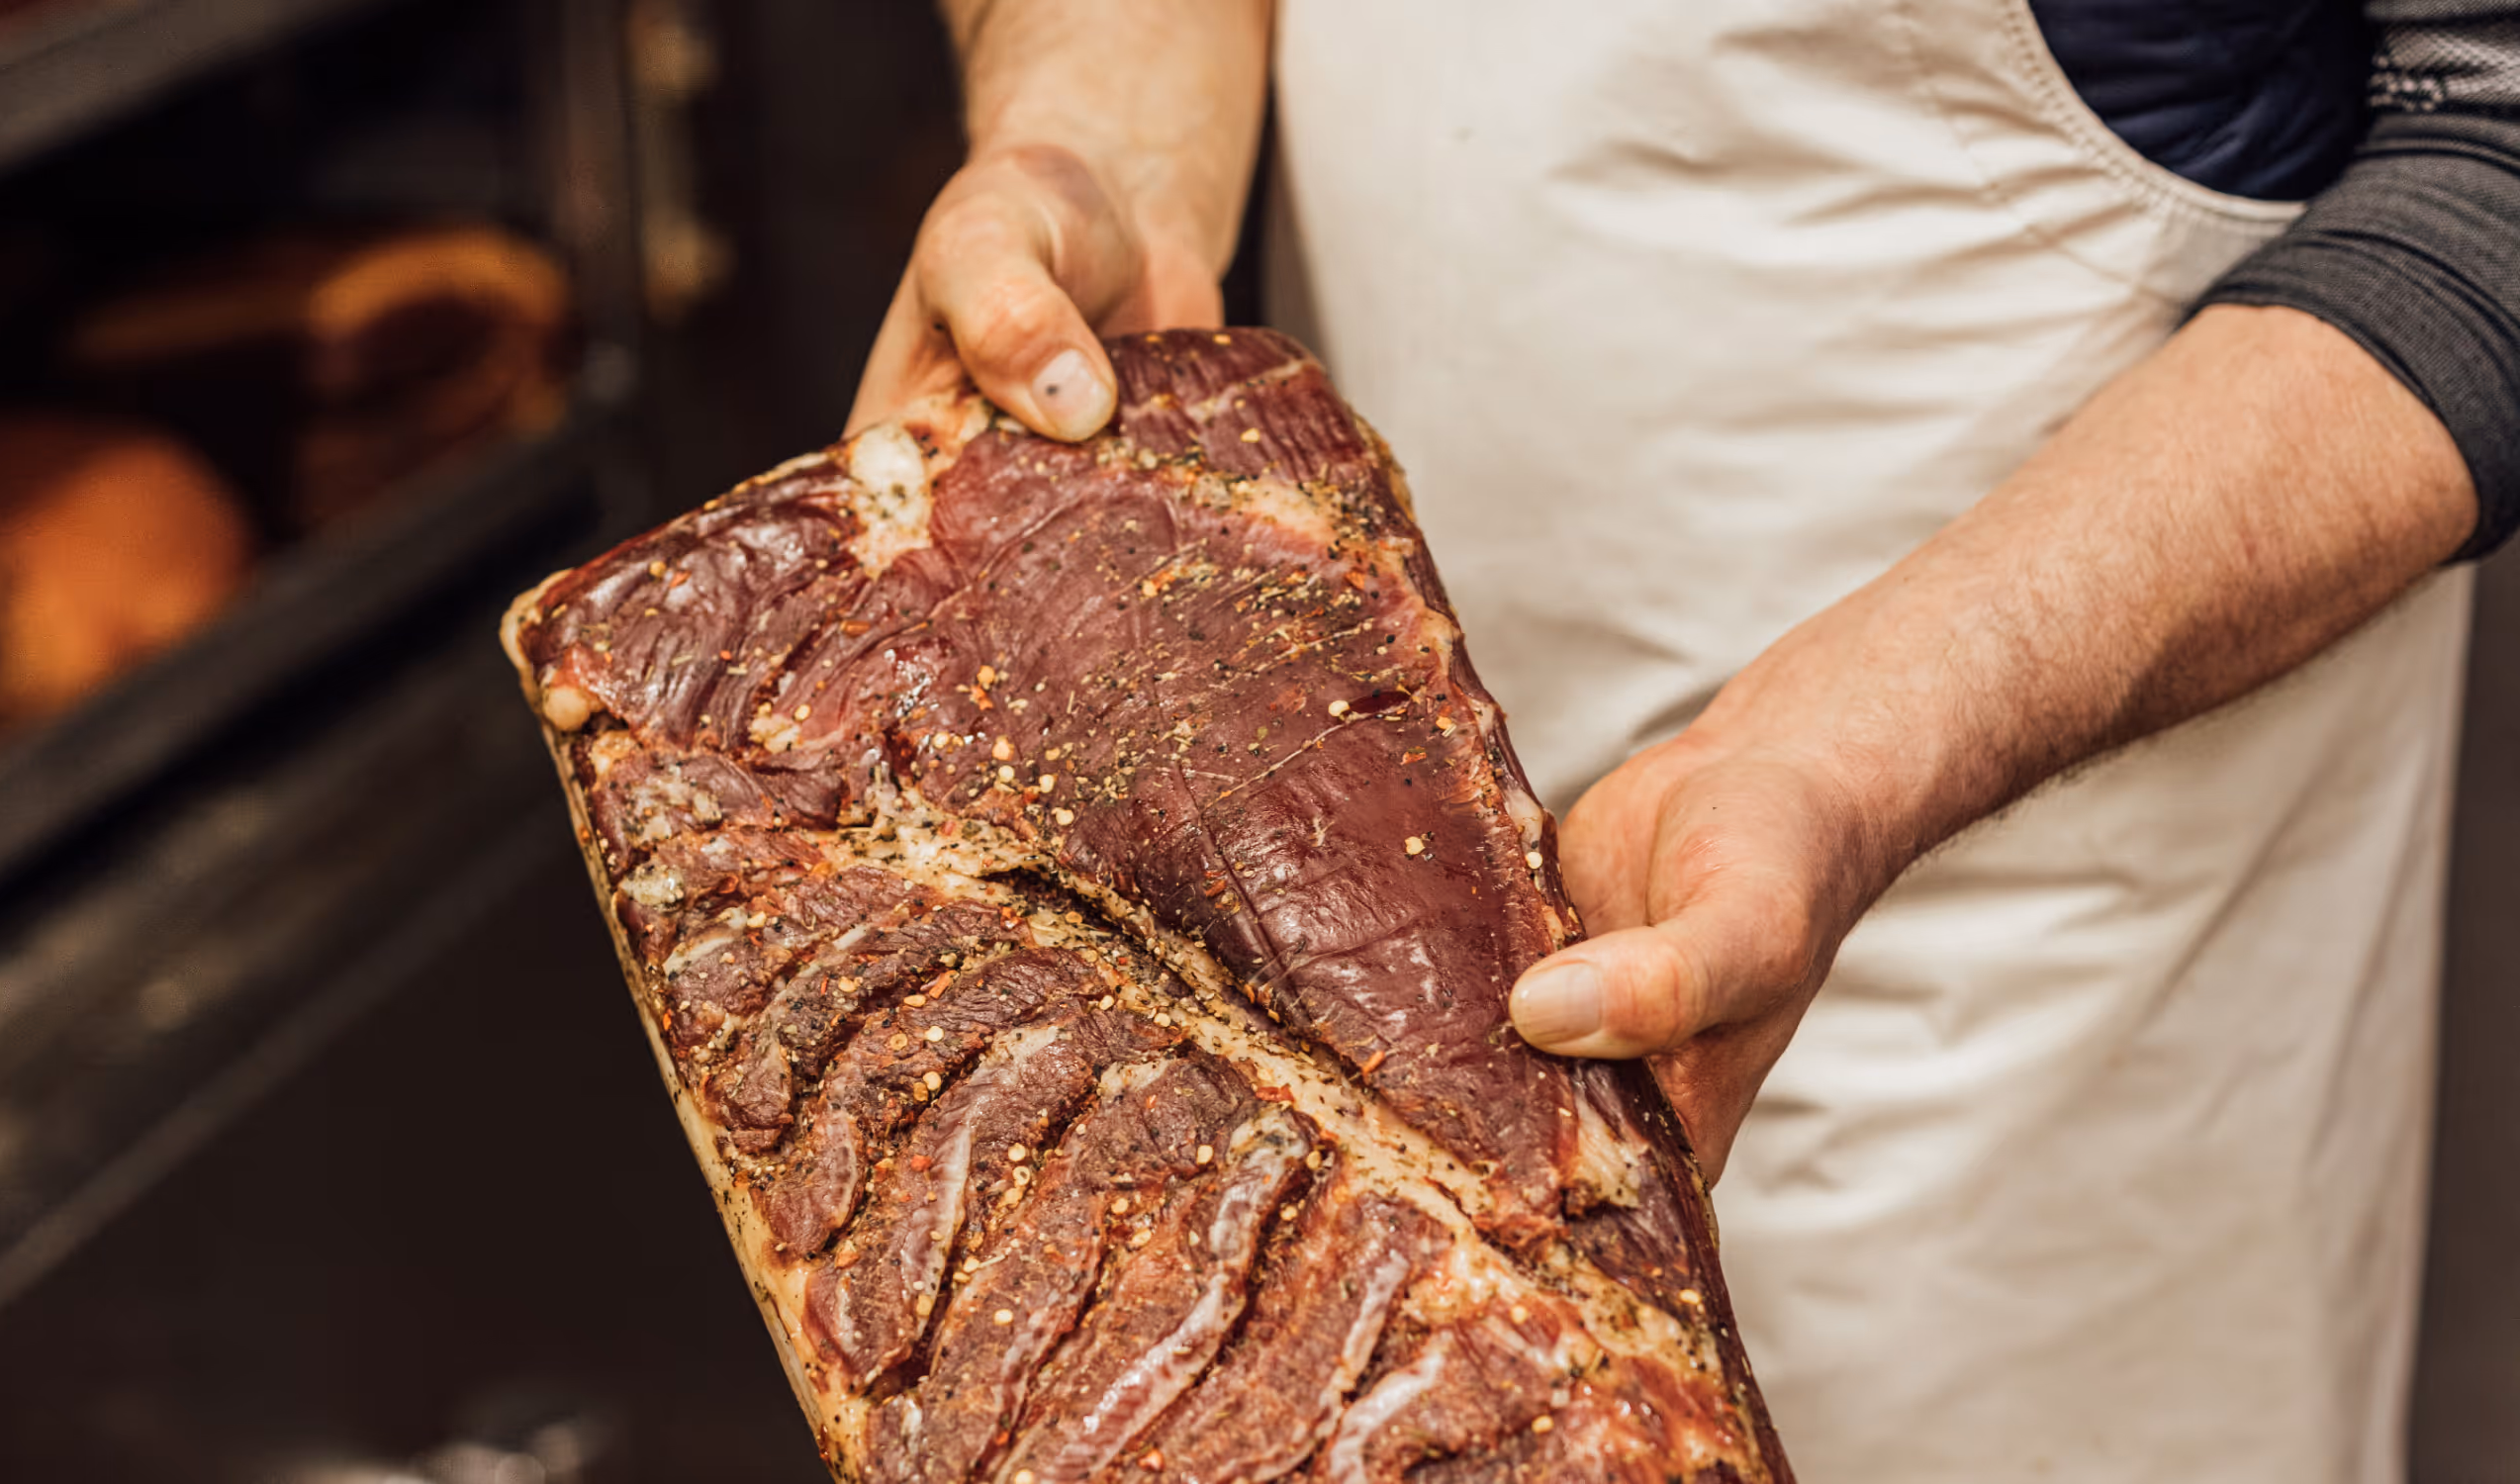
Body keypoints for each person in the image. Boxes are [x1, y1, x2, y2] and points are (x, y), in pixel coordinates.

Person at [848, 4, 2520, 1479]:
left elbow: (2495, 140)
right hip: (1374, 847)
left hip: (2035, 955)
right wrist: (1097, 134)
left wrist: (1868, 747)